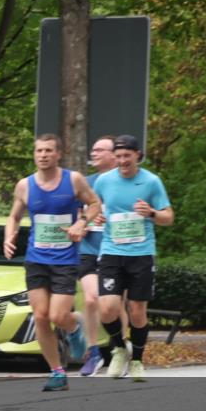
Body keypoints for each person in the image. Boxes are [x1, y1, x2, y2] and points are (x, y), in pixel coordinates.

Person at [4, 134, 101, 392]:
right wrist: (8, 236)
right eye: (39, 151)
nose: (43, 155)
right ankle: (57, 372)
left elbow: (95, 204)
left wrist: (82, 222)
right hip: (36, 258)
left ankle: (74, 326)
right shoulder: (24, 185)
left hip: (65, 260)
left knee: (59, 316)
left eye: (48, 150)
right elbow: (14, 217)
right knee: (40, 316)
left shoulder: (73, 180)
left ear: (58, 154)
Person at [94, 135, 174, 381]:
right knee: (107, 308)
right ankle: (119, 347)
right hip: (111, 252)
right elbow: (93, 208)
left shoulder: (151, 181)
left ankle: (137, 360)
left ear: (138, 155)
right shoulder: (104, 181)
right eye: (118, 157)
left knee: (137, 311)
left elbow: (168, 217)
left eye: (127, 156)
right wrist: (95, 217)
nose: (122, 161)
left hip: (141, 254)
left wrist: (150, 212)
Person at [76, 135, 129, 376]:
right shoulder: (85, 183)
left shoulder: (126, 183)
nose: (94, 153)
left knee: (116, 305)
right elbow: (77, 217)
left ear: (113, 155)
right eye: (93, 149)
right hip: (89, 249)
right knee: (90, 299)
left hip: (118, 251)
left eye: (100, 150)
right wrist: (83, 222)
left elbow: (135, 219)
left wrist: (110, 220)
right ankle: (93, 351)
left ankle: (122, 348)